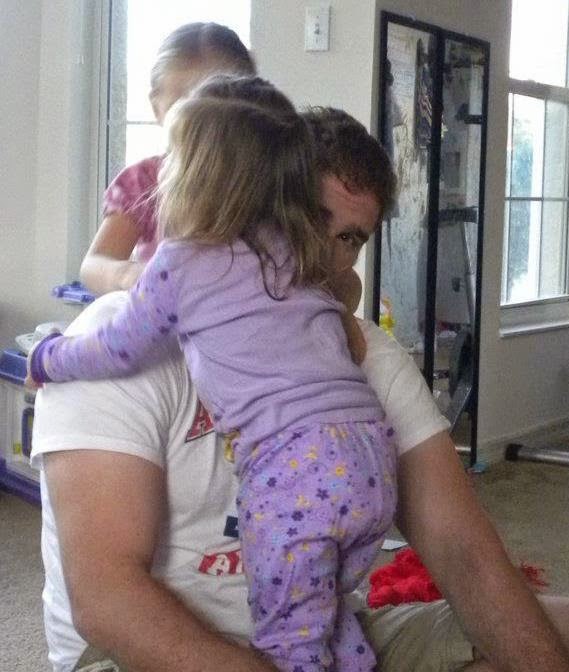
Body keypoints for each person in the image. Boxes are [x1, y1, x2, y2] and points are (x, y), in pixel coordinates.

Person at [30, 108, 569, 672]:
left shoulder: (367, 354)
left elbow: (463, 553)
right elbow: (108, 599)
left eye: (348, 238)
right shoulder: (122, 339)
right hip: (149, 652)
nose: (321, 256)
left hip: (325, 636)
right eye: (308, 219)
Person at [30, 84, 398, 672]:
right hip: (372, 460)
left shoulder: (181, 262)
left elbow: (119, 349)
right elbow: (345, 302)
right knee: (324, 609)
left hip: (296, 473)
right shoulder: (292, 256)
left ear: (186, 180)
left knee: (290, 641)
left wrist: (48, 358)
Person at [80, 22, 256, 296]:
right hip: (160, 315)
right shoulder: (144, 181)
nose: (200, 126)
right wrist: (126, 274)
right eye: (182, 109)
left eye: (216, 112)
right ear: (157, 108)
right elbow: (93, 265)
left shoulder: (264, 176)